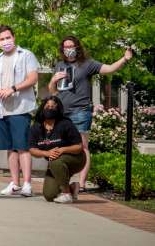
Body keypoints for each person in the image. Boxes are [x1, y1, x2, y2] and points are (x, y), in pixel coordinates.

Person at [49, 36, 132, 190]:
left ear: (77, 47)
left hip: (80, 110)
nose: (69, 49)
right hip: (62, 112)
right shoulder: (60, 65)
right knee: (61, 146)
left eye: (71, 46)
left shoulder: (87, 64)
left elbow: (109, 68)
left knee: (82, 146)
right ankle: (64, 180)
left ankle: (81, 183)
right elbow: (54, 92)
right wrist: (53, 80)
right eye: (66, 47)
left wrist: (124, 59)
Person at [0, 25, 39, 197]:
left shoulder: (26, 55)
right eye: (2, 39)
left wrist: (13, 88)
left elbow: (33, 78)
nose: (6, 41)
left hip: (21, 108)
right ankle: (15, 183)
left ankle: (27, 184)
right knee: (10, 148)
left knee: (22, 147)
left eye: (8, 37)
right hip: (2, 110)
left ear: (14, 37)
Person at [29, 96, 85, 203]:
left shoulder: (65, 124)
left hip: (76, 159)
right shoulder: (36, 127)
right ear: (42, 108)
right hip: (54, 162)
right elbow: (32, 149)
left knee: (54, 161)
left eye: (53, 107)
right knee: (49, 195)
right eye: (47, 106)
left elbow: (78, 147)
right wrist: (46, 152)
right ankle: (72, 187)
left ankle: (66, 194)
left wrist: (62, 150)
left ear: (58, 109)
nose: (50, 108)